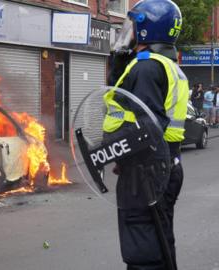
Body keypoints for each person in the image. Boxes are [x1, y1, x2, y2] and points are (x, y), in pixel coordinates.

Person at [105, 0, 188, 269]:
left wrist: (116, 153)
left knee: (144, 252)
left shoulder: (146, 67)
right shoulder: (166, 64)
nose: (127, 30)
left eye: (133, 24)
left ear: (146, 30)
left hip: (145, 175)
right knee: (160, 243)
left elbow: (147, 129)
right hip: (163, 167)